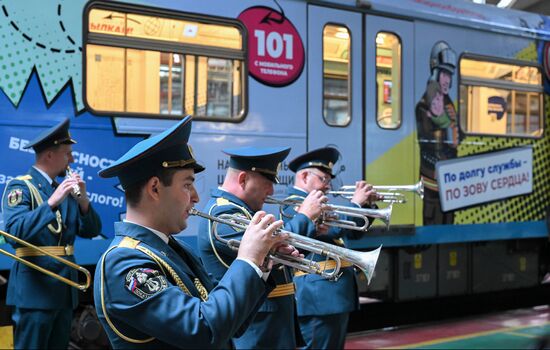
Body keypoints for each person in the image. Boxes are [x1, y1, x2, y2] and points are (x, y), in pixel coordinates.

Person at [94, 116, 298, 349]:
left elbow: (231, 324)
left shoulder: (173, 249)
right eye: (187, 185)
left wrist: (261, 265)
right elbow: (204, 329)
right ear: (154, 188)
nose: (196, 197)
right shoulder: (123, 262)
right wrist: (248, 259)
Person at [197, 146, 326, 349]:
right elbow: (274, 245)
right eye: (267, 183)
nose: (272, 191)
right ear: (243, 180)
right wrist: (305, 216)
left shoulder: (240, 212)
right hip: (257, 327)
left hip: (271, 323)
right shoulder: (222, 214)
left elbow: (281, 252)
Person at [1, 118, 102, 349]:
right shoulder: (21, 187)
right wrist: (51, 203)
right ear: (49, 156)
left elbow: (92, 230)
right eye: (68, 154)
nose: (73, 160)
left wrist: (83, 201)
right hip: (35, 289)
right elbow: (13, 233)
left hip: (64, 287)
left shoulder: (62, 189)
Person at [282, 147, 379, 349]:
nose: (327, 186)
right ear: (305, 176)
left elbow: (354, 232)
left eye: (328, 180)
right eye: (323, 179)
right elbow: (333, 229)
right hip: (319, 296)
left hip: (331, 294)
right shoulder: (293, 203)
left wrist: (367, 207)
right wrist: (356, 205)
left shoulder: (315, 202)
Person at [415, 41, 459, 225]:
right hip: (432, 179)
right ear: (435, 74)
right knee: (433, 218)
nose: (448, 79)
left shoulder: (449, 106)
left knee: (449, 219)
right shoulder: (424, 107)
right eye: (444, 74)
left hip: (449, 181)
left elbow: (459, 136)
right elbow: (428, 141)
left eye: (450, 74)